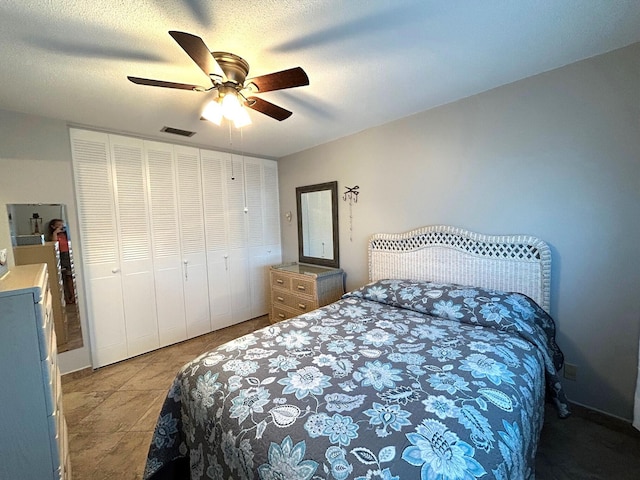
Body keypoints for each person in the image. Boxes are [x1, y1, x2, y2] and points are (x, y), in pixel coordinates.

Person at [47, 218, 75, 304]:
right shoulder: (53, 235)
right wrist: (55, 232)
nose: (61, 226)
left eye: (62, 224)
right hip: (60, 256)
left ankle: (73, 296)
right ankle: (66, 298)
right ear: (53, 226)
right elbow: (54, 244)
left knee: (70, 277)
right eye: (59, 225)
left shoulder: (66, 234)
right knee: (62, 278)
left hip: (69, 254)